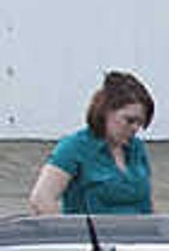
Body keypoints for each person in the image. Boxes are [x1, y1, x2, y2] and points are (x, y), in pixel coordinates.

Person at [33, 70, 157, 217]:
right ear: (105, 112)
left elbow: (146, 204)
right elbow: (41, 199)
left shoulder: (137, 149)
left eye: (140, 123)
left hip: (136, 236)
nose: (135, 128)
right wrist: (69, 234)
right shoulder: (74, 147)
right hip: (94, 237)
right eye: (129, 121)